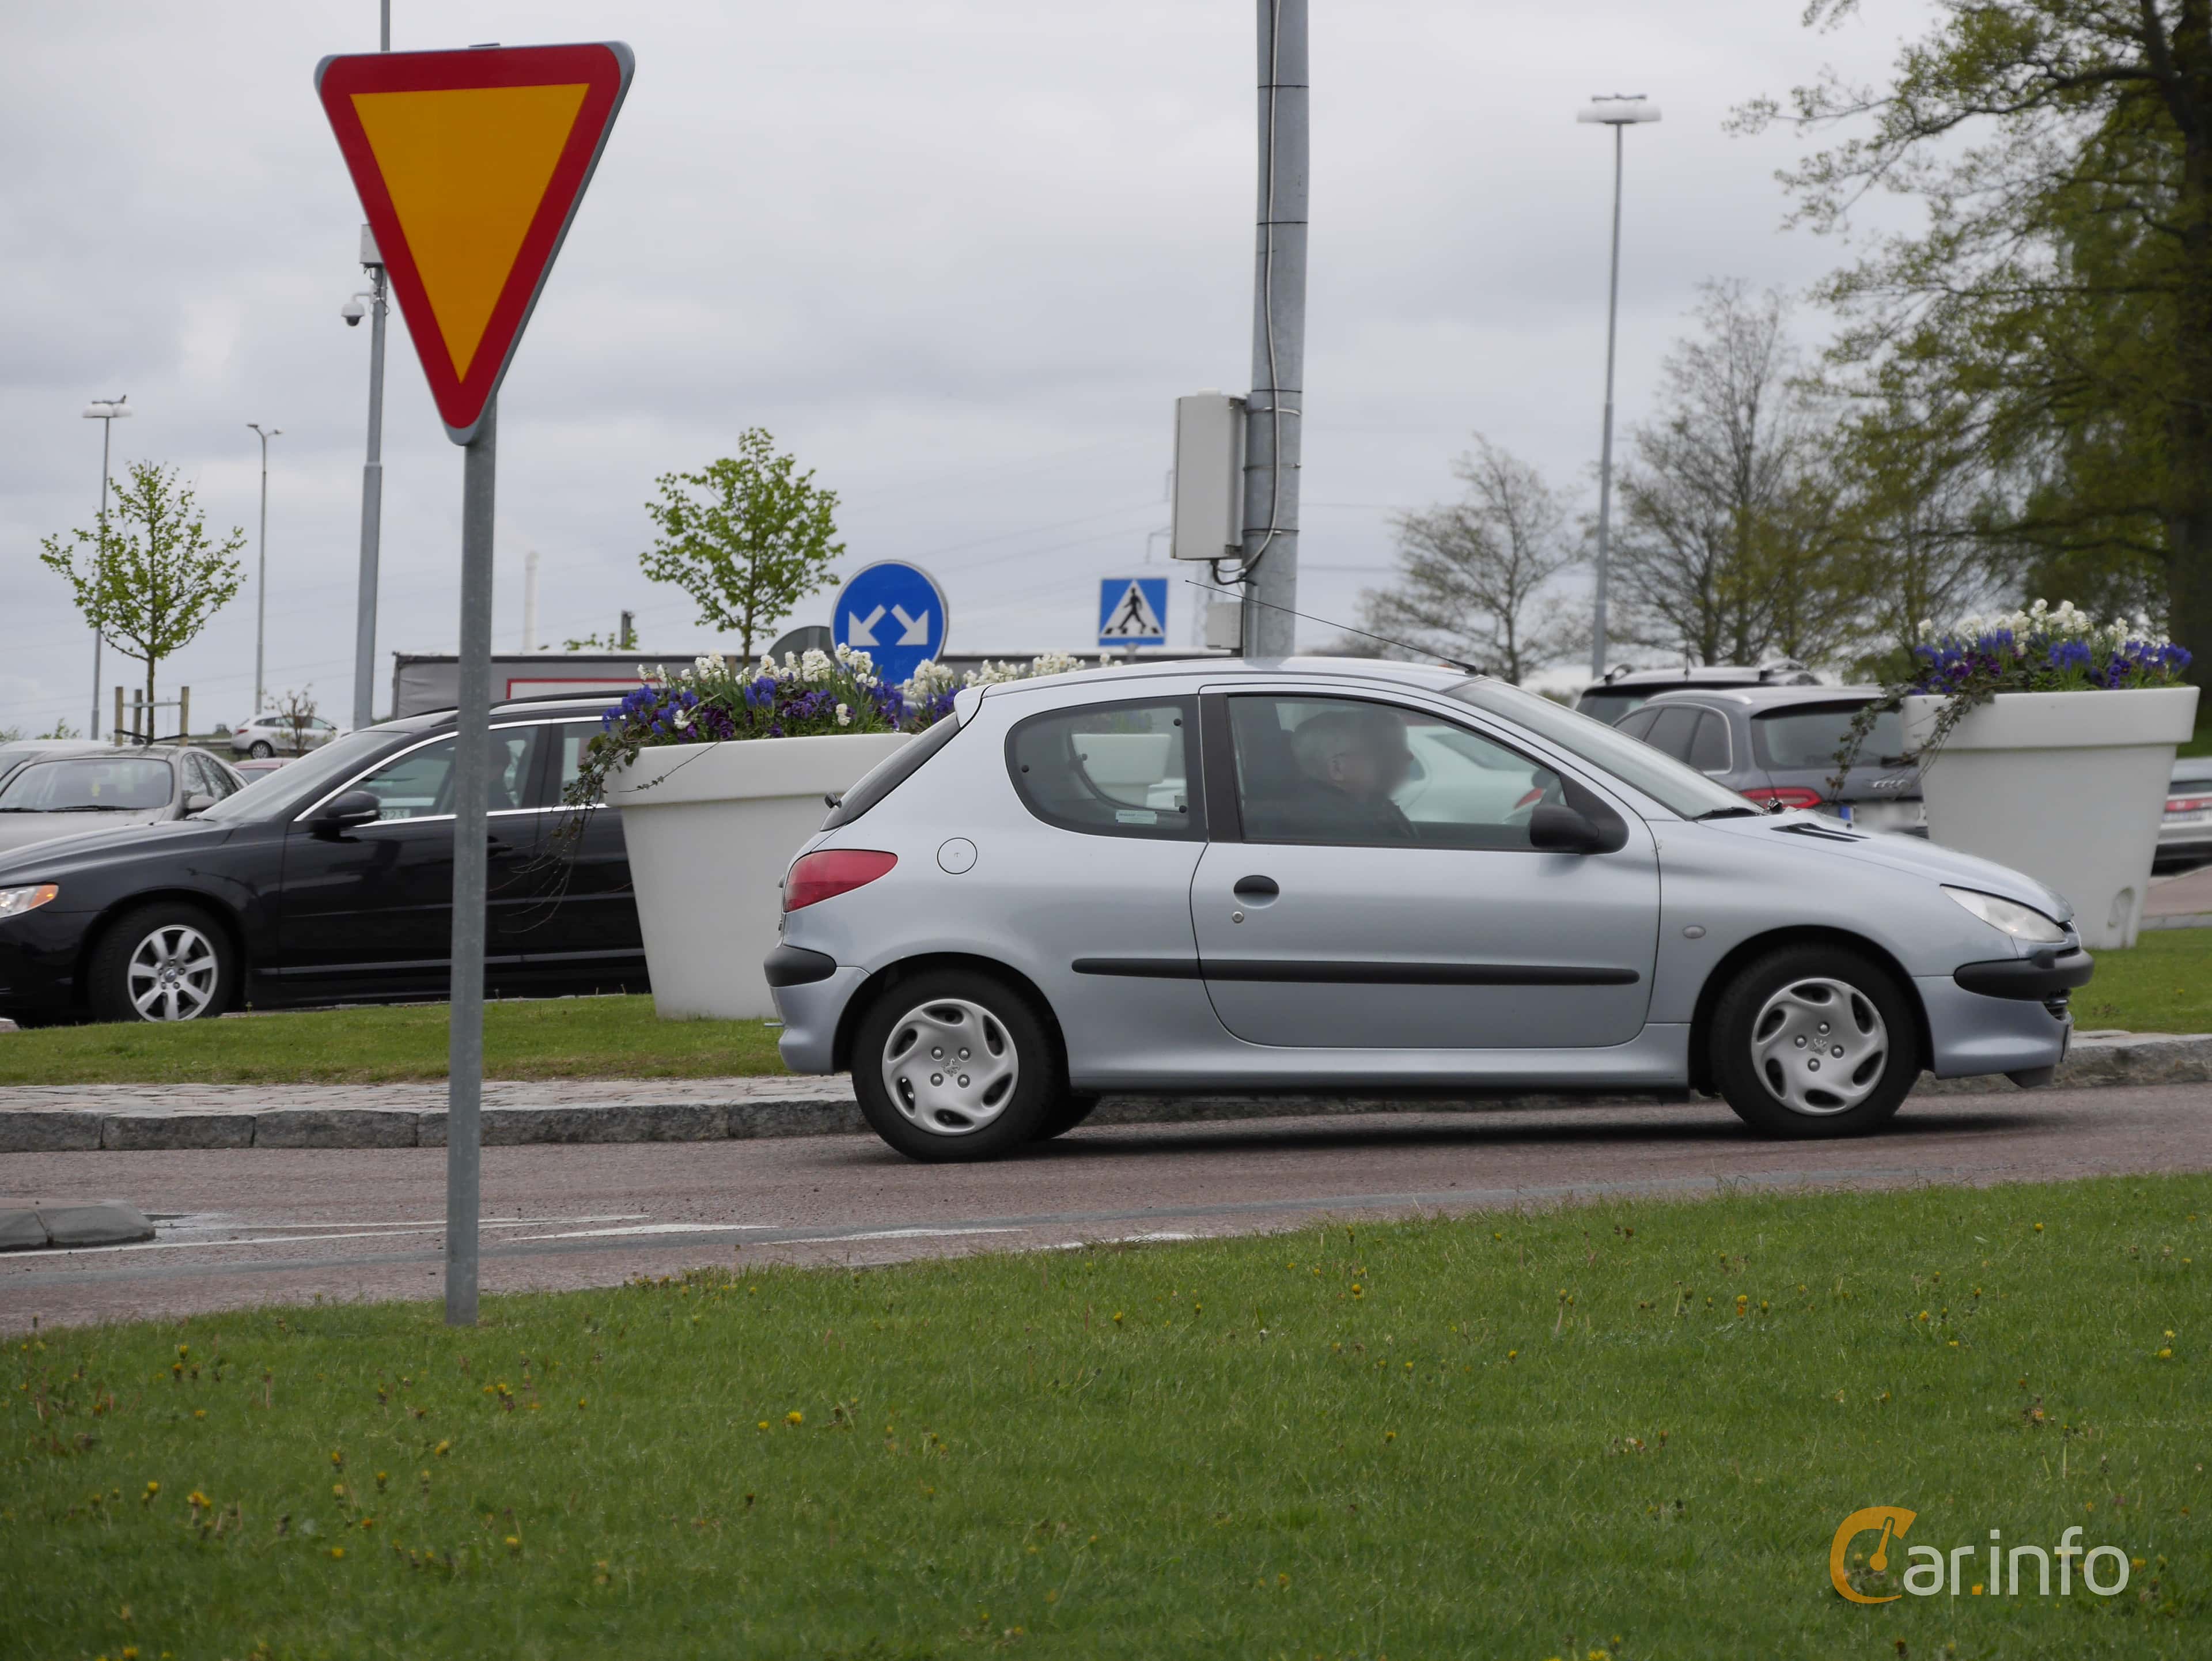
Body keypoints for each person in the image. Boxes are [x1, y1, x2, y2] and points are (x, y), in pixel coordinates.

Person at [1285, 706, 1415, 841]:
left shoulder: (1371, 807)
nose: (1409, 756)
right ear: (1338, 768)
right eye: (1379, 750)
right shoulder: (1335, 827)